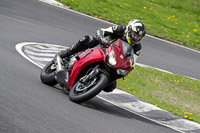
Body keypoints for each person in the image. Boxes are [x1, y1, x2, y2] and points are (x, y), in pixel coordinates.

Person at [55, 19, 146, 89]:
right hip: (102, 47)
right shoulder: (120, 29)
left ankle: (90, 85)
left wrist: (127, 69)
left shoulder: (137, 47)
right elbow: (101, 31)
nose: (135, 38)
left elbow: (132, 62)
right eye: (134, 35)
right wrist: (101, 38)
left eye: (138, 37)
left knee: (111, 87)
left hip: (113, 60)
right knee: (86, 39)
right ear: (129, 30)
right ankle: (67, 53)